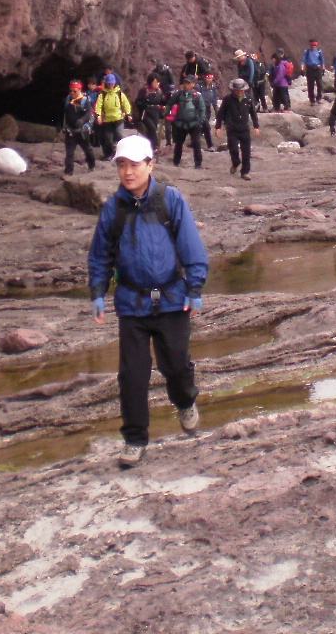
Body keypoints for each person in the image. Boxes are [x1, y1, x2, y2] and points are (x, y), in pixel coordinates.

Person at [86, 134, 208, 467]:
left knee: (177, 366)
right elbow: (101, 256)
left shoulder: (171, 200)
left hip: (172, 301)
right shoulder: (114, 208)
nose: (127, 172)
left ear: (150, 165)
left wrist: (194, 289)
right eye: (122, 165)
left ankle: (185, 403)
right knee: (132, 375)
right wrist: (98, 292)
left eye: (134, 165)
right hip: (132, 305)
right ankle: (135, 439)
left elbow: (191, 248)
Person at [215, 77, 259, 178]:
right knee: (233, 149)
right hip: (232, 129)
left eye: (241, 90)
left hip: (244, 129)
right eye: (238, 90)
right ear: (233, 90)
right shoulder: (227, 99)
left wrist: (256, 126)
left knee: (246, 152)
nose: (240, 92)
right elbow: (220, 113)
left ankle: (245, 172)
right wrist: (218, 127)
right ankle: (235, 163)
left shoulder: (248, 99)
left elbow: (253, 113)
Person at [62, 77, 97, 174]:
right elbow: (64, 114)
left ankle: (91, 166)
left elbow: (89, 113)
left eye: (75, 91)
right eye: (71, 91)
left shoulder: (85, 100)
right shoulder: (68, 100)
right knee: (69, 153)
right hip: (70, 131)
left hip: (82, 131)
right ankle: (68, 172)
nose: (72, 93)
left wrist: (82, 120)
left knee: (87, 150)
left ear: (80, 90)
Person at [168, 77, 205, 168]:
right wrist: (166, 111)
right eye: (185, 83)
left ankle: (198, 163)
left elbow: (202, 109)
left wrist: (200, 121)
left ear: (193, 85)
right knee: (178, 143)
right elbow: (170, 103)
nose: (186, 85)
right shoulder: (178, 94)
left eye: (188, 83)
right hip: (180, 123)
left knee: (196, 143)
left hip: (193, 123)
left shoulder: (197, 95)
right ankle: (176, 162)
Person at [94, 72, 132, 160]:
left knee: (119, 135)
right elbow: (98, 106)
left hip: (118, 118)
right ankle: (109, 154)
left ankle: (123, 152)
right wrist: (98, 116)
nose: (111, 85)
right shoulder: (102, 95)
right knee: (108, 139)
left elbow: (126, 104)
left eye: (112, 83)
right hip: (107, 120)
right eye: (109, 83)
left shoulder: (119, 93)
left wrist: (128, 114)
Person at [134, 77, 168, 150]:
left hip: (155, 113)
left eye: (158, 82)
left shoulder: (159, 91)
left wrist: (167, 99)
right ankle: (155, 147)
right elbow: (137, 101)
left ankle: (149, 146)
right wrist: (143, 104)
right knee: (151, 128)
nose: (157, 84)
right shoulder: (145, 90)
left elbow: (162, 101)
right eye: (154, 82)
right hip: (146, 113)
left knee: (153, 129)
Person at [195, 71, 219, 152]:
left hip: (208, 108)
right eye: (208, 78)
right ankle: (210, 144)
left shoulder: (213, 86)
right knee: (206, 127)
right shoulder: (199, 86)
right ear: (204, 78)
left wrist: (217, 111)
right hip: (200, 109)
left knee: (203, 127)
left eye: (211, 78)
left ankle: (195, 142)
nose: (209, 79)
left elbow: (215, 99)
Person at [301, 39, 325, 105]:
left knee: (320, 84)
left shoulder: (319, 51)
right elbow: (303, 61)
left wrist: (323, 68)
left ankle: (319, 98)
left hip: (317, 68)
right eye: (312, 45)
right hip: (310, 69)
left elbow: (322, 60)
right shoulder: (307, 52)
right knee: (310, 85)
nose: (313, 46)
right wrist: (302, 69)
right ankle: (312, 100)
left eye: (315, 45)